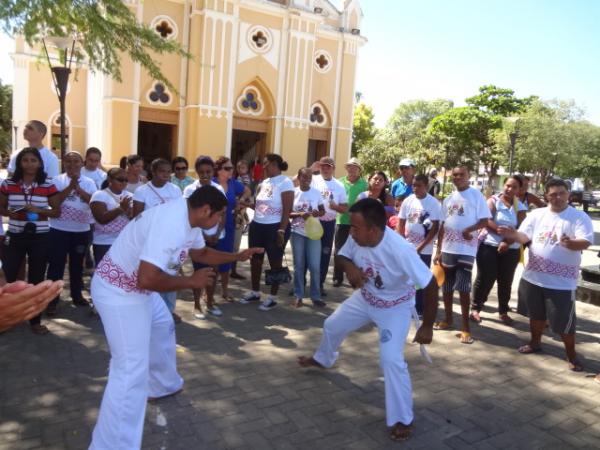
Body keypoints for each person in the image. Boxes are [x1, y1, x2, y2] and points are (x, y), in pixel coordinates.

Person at [89, 185, 263, 449]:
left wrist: (236, 256)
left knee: (162, 325)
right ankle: (111, 444)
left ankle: (161, 385)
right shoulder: (171, 224)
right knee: (130, 368)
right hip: (118, 291)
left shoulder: (189, 219)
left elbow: (201, 253)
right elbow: (146, 278)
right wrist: (190, 281)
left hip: (139, 290)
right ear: (205, 210)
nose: (219, 221)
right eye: (218, 215)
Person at [297, 198, 439, 442]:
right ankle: (324, 359)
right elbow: (341, 257)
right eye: (351, 227)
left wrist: (427, 326)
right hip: (365, 299)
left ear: (373, 230)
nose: (351, 232)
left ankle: (403, 418)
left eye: (355, 228)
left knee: (391, 360)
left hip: (394, 308)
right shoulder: (356, 238)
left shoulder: (400, 249)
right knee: (331, 325)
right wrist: (350, 268)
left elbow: (430, 283)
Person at [498, 178, 593, 372]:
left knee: (564, 323)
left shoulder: (578, 217)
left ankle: (571, 355)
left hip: (561, 283)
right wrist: (513, 235)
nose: (557, 197)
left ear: (568, 195)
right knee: (536, 316)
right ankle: (535, 343)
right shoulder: (536, 214)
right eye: (553, 194)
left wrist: (571, 243)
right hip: (533, 277)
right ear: (546, 196)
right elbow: (525, 237)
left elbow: (585, 242)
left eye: (561, 193)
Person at [0, 148, 61, 334]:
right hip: (16, 235)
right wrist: (10, 213)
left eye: (33, 160)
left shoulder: (48, 184)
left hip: (40, 237)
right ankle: (5, 317)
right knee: (7, 276)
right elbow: (1, 208)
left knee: (36, 279)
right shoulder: (8, 183)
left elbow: (56, 212)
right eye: (25, 160)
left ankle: (35, 321)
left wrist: (38, 209)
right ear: (19, 163)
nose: (29, 164)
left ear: (40, 163)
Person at [433, 166, 490, 344]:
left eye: (461, 175)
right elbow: (443, 226)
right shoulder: (448, 199)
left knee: (464, 288)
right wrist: (439, 250)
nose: (457, 177)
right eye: (454, 175)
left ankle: (466, 327)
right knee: (447, 286)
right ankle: (448, 319)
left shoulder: (476, 196)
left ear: (468, 176)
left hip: (466, 249)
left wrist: (471, 229)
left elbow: (485, 220)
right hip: (448, 249)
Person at [46, 152, 98, 314]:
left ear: (82, 163)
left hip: (80, 231)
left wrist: (79, 188)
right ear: (64, 164)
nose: (72, 164)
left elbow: (93, 202)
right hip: (58, 229)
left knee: (77, 265)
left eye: (76, 161)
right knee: (56, 265)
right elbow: (54, 202)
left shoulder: (89, 182)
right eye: (68, 161)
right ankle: (52, 301)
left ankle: (77, 296)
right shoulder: (56, 181)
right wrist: (70, 186)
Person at [470, 176, 527, 325]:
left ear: (519, 190)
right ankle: (475, 309)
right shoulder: (493, 201)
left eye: (514, 187)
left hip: (512, 249)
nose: (510, 189)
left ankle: (503, 311)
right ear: (504, 185)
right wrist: (502, 234)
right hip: (489, 246)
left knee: (506, 280)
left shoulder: (520, 207)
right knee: (485, 278)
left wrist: (508, 241)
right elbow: (487, 220)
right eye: (508, 185)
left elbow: (522, 228)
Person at [240, 154, 293, 311]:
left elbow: (287, 209)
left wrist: (282, 230)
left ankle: (273, 297)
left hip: (275, 227)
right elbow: (258, 205)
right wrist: (245, 204)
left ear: (275, 164)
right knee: (255, 260)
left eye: (266, 164)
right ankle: (255, 292)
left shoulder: (286, 182)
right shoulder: (263, 183)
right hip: (258, 225)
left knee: (274, 262)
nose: (263, 167)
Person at [132, 158, 183, 320]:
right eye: (162, 171)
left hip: (172, 241)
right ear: (153, 172)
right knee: (154, 276)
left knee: (171, 274)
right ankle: (155, 311)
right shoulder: (142, 191)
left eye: (169, 171)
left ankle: (169, 310)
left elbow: (179, 214)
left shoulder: (175, 190)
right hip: (151, 242)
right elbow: (137, 218)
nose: (166, 175)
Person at [183, 156, 225, 318]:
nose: (205, 175)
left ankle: (209, 301)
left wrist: (216, 232)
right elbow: (188, 214)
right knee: (199, 270)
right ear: (197, 172)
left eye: (208, 171)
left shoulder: (218, 189)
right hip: (196, 238)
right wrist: (201, 235)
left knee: (213, 271)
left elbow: (223, 213)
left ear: (213, 171)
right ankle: (196, 304)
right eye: (201, 172)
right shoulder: (190, 190)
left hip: (214, 237)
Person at [397, 174, 442, 316]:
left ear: (426, 187)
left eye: (419, 186)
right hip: (408, 246)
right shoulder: (408, 201)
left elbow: (435, 228)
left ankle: (419, 307)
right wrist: (401, 242)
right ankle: (403, 303)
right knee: (404, 276)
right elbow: (401, 222)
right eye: (413, 185)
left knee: (420, 278)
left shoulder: (434, 203)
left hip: (425, 249)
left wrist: (421, 247)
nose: (415, 188)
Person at [213, 156, 251, 303]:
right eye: (227, 168)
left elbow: (247, 191)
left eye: (232, 168)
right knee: (212, 260)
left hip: (228, 225)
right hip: (212, 226)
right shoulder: (212, 183)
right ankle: (207, 293)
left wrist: (240, 202)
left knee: (227, 259)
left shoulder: (233, 183)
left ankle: (224, 291)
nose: (231, 171)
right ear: (219, 170)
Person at [311, 157, 348, 297]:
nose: (325, 169)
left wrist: (335, 207)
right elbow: (295, 182)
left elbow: (344, 208)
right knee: (308, 252)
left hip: (329, 223)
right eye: (322, 166)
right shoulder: (313, 179)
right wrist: (311, 168)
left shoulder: (339, 185)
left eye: (328, 166)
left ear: (333, 168)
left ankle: (319, 284)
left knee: (324, 254)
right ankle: (301, 283)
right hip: (312, 221)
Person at [290, 167, 325, 307]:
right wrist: (299, 215)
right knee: (299, 265)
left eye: (309, 178)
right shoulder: (293, 193)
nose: (307, 180)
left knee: (315, 266)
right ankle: (298, 295)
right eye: (304, 177)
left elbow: (322, 210)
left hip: (314, 233)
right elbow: (286, 213)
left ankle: (316, 296)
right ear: (299, 178)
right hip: (297, 232)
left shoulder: (316, 193)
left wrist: (318, 213)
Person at [333, 157, 367, 287]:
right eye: (350, 166)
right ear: (346, 168)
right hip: (341, 221)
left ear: (359, 170)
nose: (352, 169)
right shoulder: (340, 182)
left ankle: (358, 276)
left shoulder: (364, 184)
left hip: (357, 224)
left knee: (358, 250)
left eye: (355, 167)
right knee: (339, 250)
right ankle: (337, 277)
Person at [90, 168, 133, 265]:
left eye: (126, 180)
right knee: (104, 276)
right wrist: (120, 209)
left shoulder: (130, 196)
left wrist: (130, 212)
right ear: (109, 179)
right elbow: (101, 219)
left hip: (124, 243)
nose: (124, 182)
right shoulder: (99, 195)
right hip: (104, 243)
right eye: (120, 179)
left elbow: (135, 219)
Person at [231, 160, 252, 280]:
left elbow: (247, 191)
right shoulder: (236, 180)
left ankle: (232, 270)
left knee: (235, 245)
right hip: (230, 215)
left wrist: (242, 201)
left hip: (238, 214)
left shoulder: (243, 180)